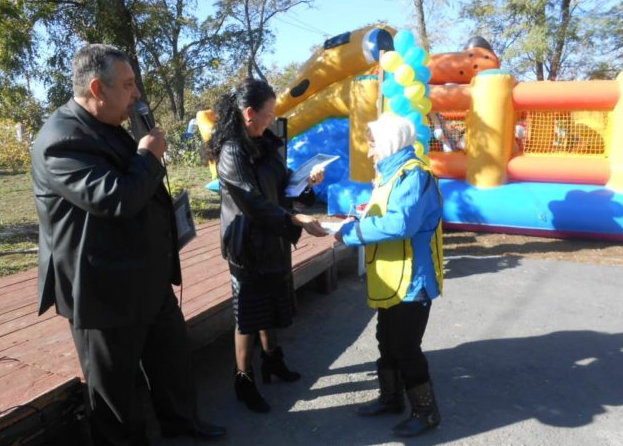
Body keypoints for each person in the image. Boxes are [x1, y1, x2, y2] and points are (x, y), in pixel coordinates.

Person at [30, 44, 225, 445]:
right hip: (102, 286)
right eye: (129, 84)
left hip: (144, 273)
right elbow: (114, 199)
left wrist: (146, 154)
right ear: (98, 88)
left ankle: (182, 424)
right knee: (114, 388)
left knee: (170, 357)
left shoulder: (110, 124)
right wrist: (149, 156)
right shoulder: (60, 139)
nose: (137, 94)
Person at [206, 78, 327, 414]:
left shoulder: (268, 143)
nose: (274, 118)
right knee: (248, 312)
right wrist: (293, 221)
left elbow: (284, 184)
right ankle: (243, 379)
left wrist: (307, 182)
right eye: (269, 113)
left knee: (272, 303)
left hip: (273, 235)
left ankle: (273, 360)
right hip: (246, 242)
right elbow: (252, 201)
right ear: (249, 114)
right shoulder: (232, 151)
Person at [335, 113, 444, 438]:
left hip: (412, 281)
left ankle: (426, 413)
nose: (370, 153)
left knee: (406, 346)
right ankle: (391, 398)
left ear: (389, 143)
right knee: (387, 340)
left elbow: (401, 224)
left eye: (373, 146)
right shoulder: (392, 175)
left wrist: (352, 232)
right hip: (391, 278)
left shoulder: (414, 175)